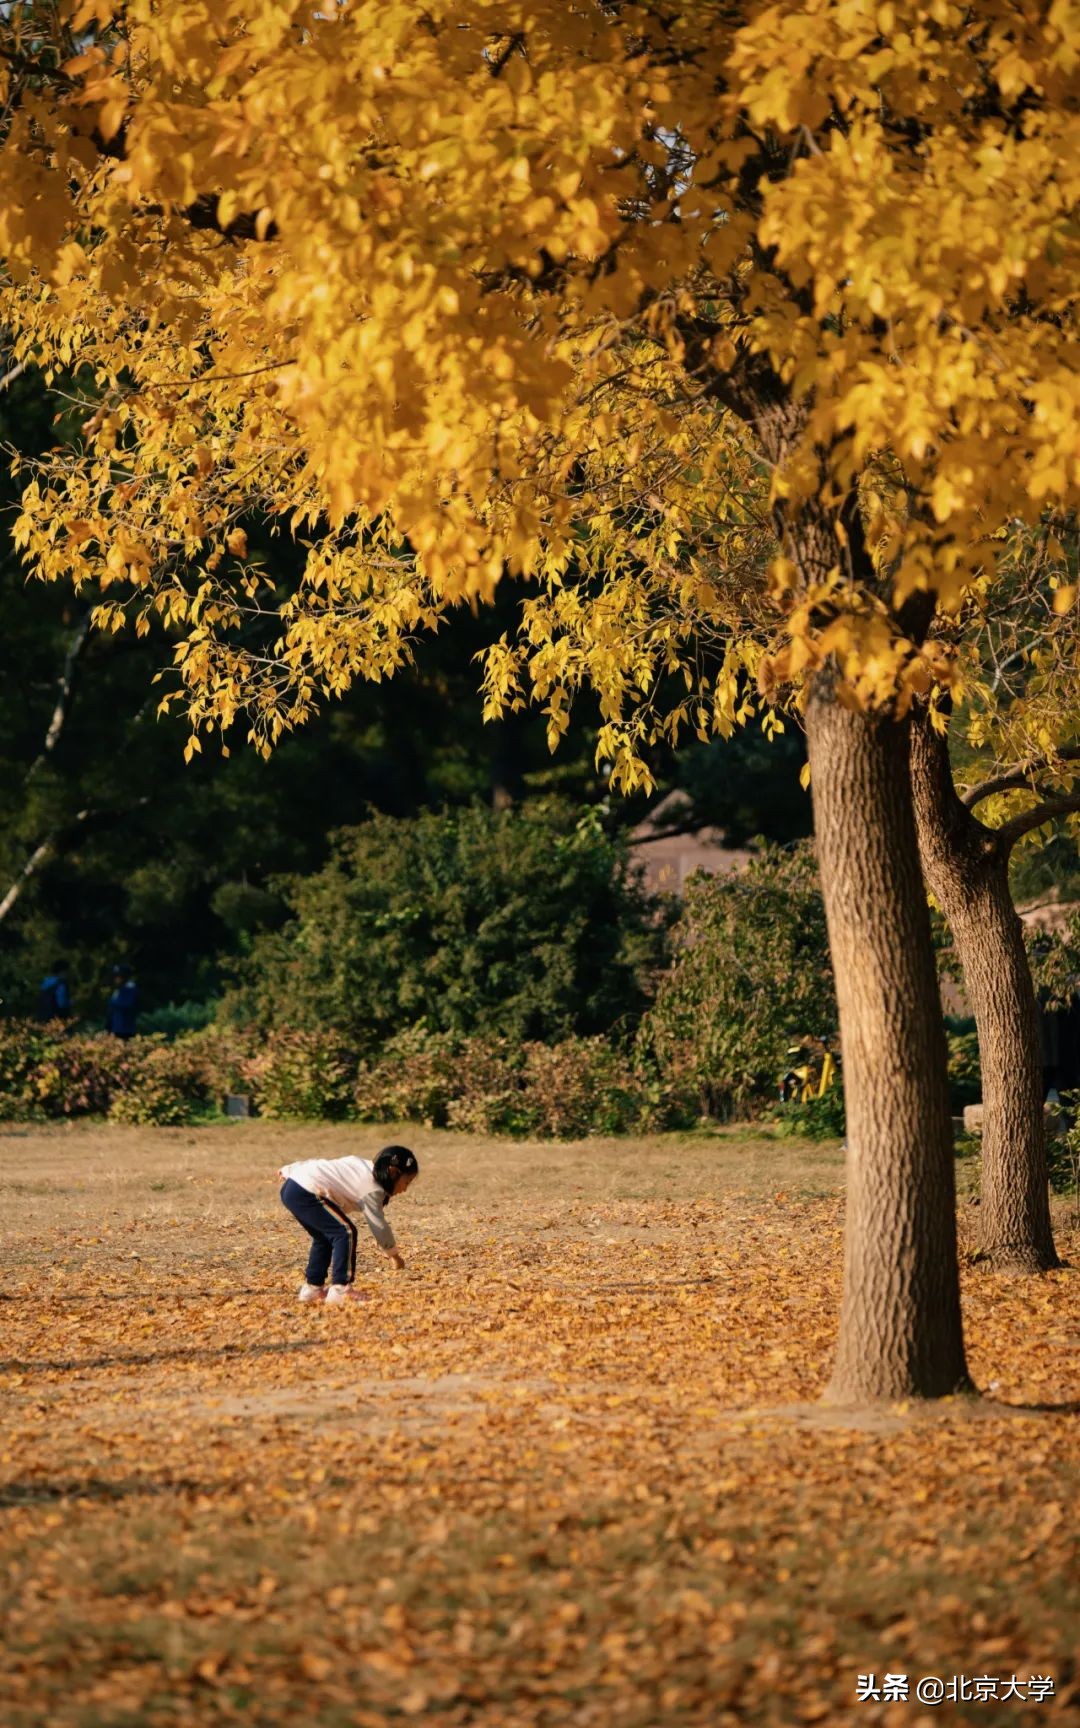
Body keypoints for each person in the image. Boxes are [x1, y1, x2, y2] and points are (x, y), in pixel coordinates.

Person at [278, 1144, 418, 1306]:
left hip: (293, 1187)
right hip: (307, 1191)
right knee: (345, 1232)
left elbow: (325, 1165)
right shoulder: (372, 1189)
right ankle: (341, 1289)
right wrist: (394, 1255)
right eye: (406, 1182)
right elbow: (378, 1225)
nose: (405, 1189)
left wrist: (290, 1169)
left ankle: (313, 1289)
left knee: (323, 1238)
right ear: (393, 1173)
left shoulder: (364, 1166)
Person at [105, 963, 139, 1038]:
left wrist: (113, 1003)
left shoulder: (130, 989)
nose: (116, 979)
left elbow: (127, 1005)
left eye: (118, 977)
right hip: (116, 1027)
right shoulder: (119, 989)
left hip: (125, 1029)